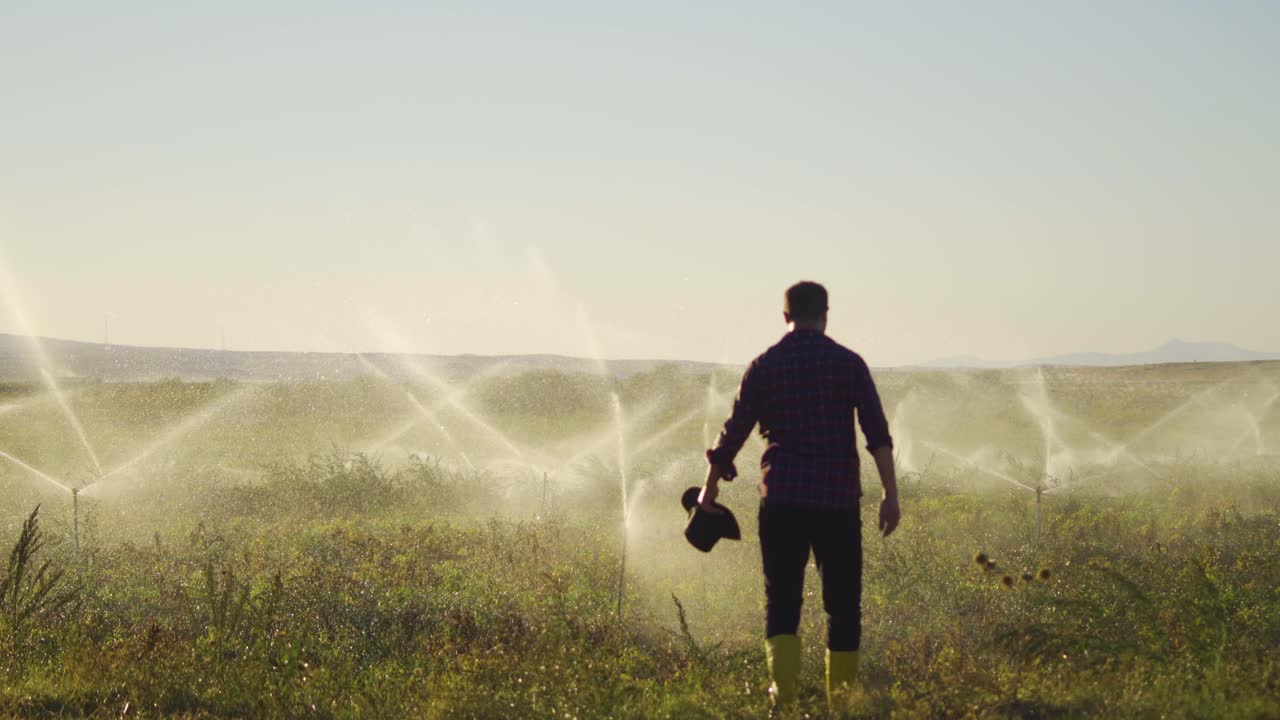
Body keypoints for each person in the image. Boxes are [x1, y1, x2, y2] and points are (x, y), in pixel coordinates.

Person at [700, 280, 899, 714]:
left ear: (785, 316)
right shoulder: (848, 364)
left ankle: (784, 699)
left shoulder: (765, 366)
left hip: (783, 501)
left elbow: (731, 434)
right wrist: (890, 493)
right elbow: (877, 433)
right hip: (837, 503)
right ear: (826, 313)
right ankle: (840, 705)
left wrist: (708, 490)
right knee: (844, 606)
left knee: (783, 600)